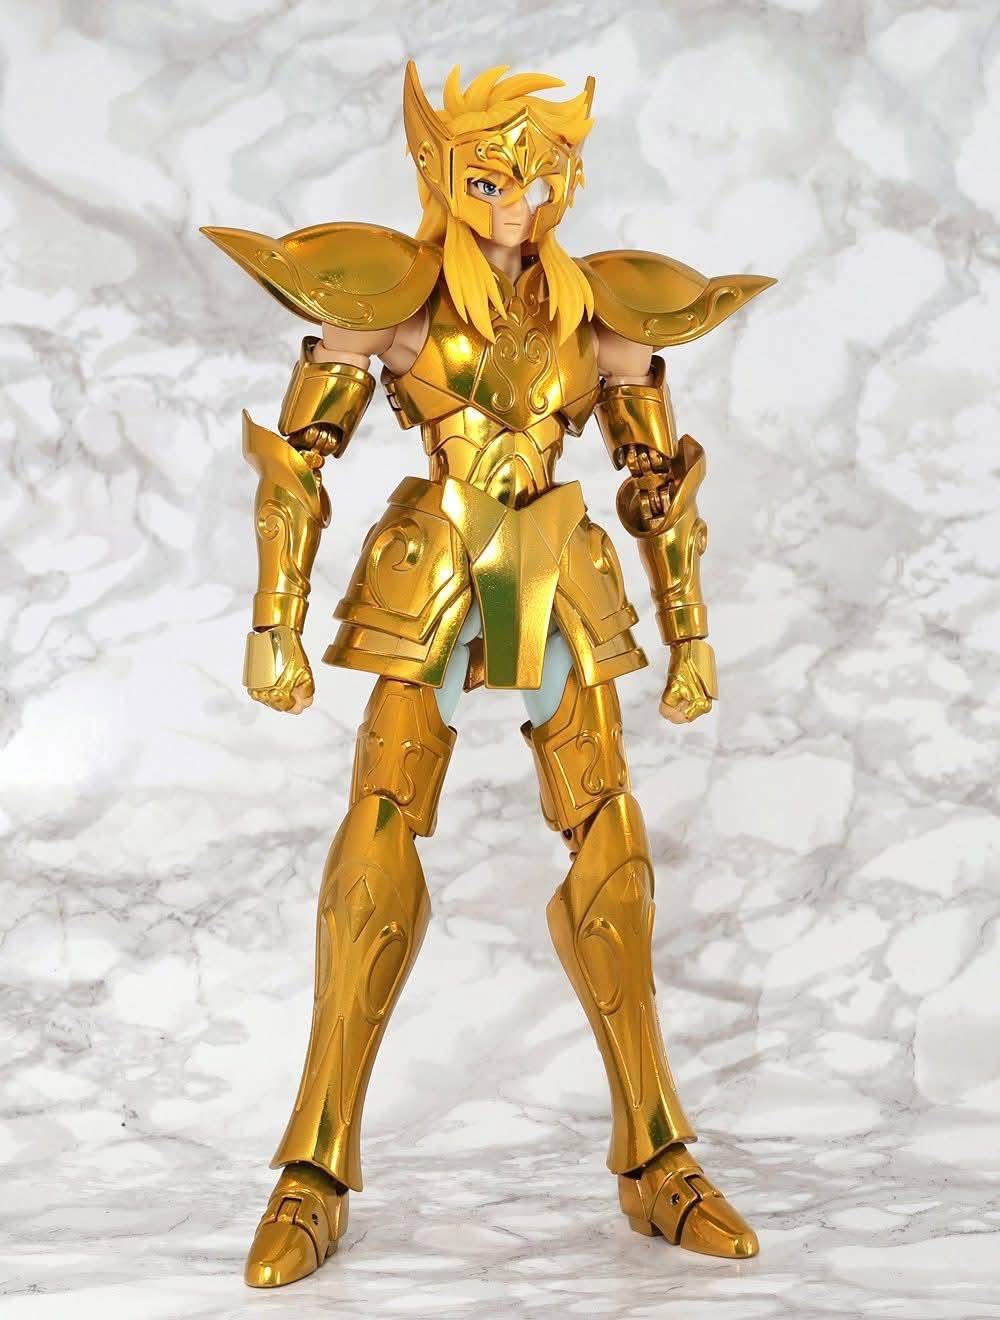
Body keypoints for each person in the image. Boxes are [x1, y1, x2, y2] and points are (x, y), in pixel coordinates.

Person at [203, 60, 773, 1289]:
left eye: (543, 173)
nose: (520, 200)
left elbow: (660, 485)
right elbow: (297, 461)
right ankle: (313, 1168)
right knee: (375, 836)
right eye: (491, 176)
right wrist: (274, 621)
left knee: (611, 845)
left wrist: (690, 634)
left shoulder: (601, 310)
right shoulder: (397, 297)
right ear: (440, 171)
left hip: (558, 570)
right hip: (434, 565)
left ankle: (656, 1156)